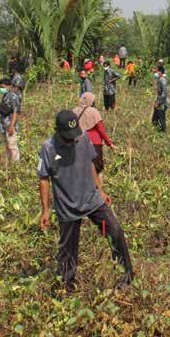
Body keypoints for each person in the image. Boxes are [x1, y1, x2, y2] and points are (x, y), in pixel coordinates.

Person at [38, 110, 133, 293]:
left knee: (115, 231)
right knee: (67, 251)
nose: (73, 140)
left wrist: (100, 190)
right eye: (68, 137)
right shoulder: (48, 148)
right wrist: (45, 210)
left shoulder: (82, 138)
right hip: (67, 207)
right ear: (57, 131)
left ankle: (126, 276)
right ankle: (67, 288)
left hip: (91, 199)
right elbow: (44, 178)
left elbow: (90, 164)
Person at [74, 92, 115, 178]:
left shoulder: (74, 111)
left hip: (78, 143)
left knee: (82, 169)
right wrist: (109, 143)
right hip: (94, 144)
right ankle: (98, 189)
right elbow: (101, 130)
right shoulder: (94, 112)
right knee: (97, 169)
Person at [0, 78, 22, 162]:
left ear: (9, 86)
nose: (1, 89)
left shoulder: (14, 97)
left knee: (12, 146)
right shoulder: (5, 95)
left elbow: (16, 112)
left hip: (10, 125)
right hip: (3, 124)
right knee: (7, 145)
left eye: (3, 87)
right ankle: (9, 163)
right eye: (0, 87)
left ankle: (16, 164)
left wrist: (12, 126)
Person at [152, 66, 168, 132]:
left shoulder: (163, 80)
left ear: (160, 72)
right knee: (154, 119)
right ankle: (157, 131)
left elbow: (165, 93)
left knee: (161, 118)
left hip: (162, 102)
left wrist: (158, 102)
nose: (156, 72)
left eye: (157, 71)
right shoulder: (160, 79)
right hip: (159, 101)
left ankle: (163, 132)